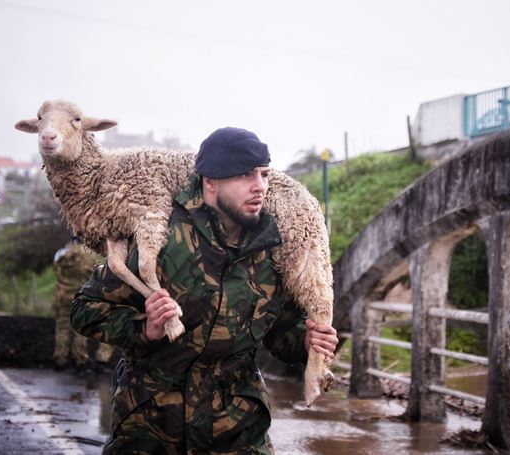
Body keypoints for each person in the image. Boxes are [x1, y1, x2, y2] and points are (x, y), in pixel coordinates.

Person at [71, 127, 339, 454]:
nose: (260, 187)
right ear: (209, 182)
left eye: (264, 174)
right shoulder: (161, 235)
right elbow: (85, 309)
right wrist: (146, 329)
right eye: (244, 175)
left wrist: (305, 341)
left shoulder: (274, 246)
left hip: (238, 431)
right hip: (153, 430)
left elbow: (280, 332)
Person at [52, 237, 102, 369]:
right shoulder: (89, 255)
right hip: (80, 296)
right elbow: (96, 274)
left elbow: (55, 268)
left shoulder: (62, 252)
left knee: (62, 328)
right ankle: (80, 360)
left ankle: (60, 360)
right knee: (79, 328)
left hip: (62, 296)